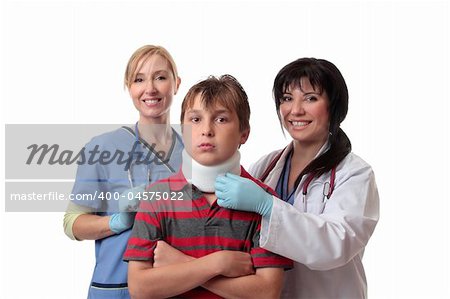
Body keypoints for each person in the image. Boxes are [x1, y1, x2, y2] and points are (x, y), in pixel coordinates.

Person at [215, 58, 380, 298]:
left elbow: (336, 244)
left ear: (334, 106)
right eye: (287, 98)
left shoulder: (355, 174)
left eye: (310, 98)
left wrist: (269, 207)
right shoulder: (265, 166)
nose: (296, 110)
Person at [123, 75, 292, 299]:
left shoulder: (264, 202)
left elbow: (266, 292)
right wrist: (217, 263)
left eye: (221, 119)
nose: (206, 130)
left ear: (244, 133)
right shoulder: (157, 198)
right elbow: (140, 288)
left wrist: (180, 264)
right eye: (195, 119)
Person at [63, 45, 184, 299]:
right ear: (129, 87)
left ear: (176, 83)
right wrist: (116, 222)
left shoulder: (194, 151)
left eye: (160, 77)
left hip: (177, 287)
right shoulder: (102, 148)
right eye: (139, 79)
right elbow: (72, 223)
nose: (149, 88)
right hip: (115, 289)